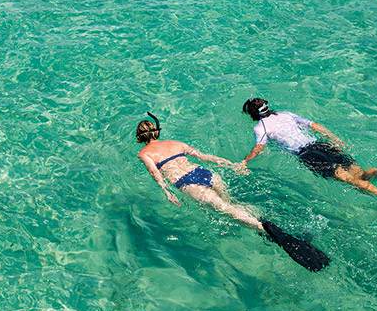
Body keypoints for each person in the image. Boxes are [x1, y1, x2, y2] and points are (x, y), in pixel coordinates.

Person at [238, 98, 377, 250]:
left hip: (309, 155)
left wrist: (245, 161)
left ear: (253, 115)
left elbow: (259, 148)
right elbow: (315, 126)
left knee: (349, 180)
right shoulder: (286, 114)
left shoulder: (260, 128)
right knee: (360, 173)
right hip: (322, 145)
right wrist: (335, 140)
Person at [136, 112, 329, 271]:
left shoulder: (144, 153)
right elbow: (204, 157)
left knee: (228, 210)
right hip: (204, 173)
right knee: (234, 204)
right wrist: (228, 163)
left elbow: (155, 172)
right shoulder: (175, 143)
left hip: (187, 182)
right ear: (157, 132)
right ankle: (267, 224)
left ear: (140, 138)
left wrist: (166, 191)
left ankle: (270, 231)